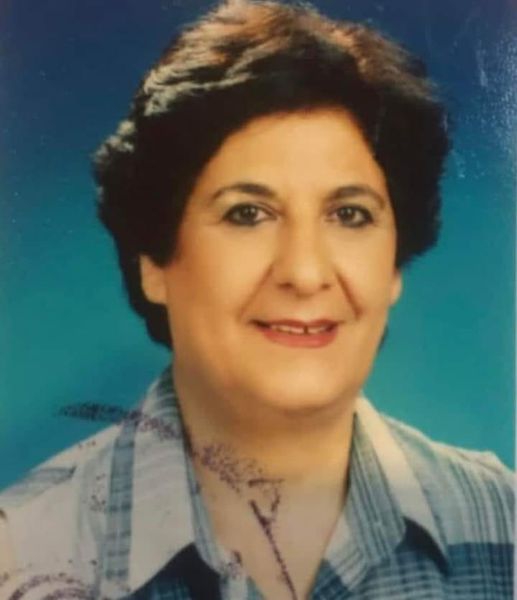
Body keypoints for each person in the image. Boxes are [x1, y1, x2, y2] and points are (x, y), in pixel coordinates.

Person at [0, 1, 513, 598]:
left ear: (395, 263)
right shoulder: (22, 554)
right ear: (154, 261)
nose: (305, 272)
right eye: (248, 214)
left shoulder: (501, 525)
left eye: (350, 214)